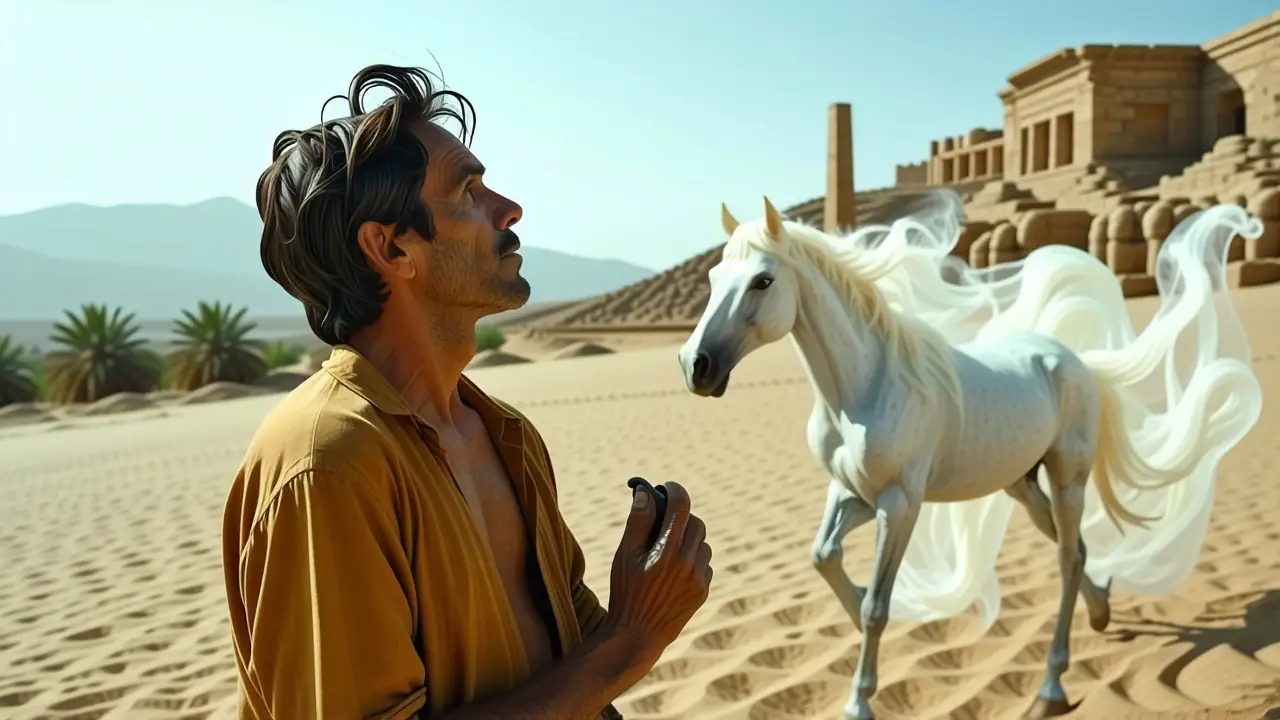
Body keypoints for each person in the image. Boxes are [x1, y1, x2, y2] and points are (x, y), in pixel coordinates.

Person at [221, 63, 714, 719]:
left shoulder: (504, 433)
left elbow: (565, 664)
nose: (508, 209)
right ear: (391, 249)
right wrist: (628, 642)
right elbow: (606, 660)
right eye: (467, 191)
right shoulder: (330, 465)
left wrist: (642, 595)